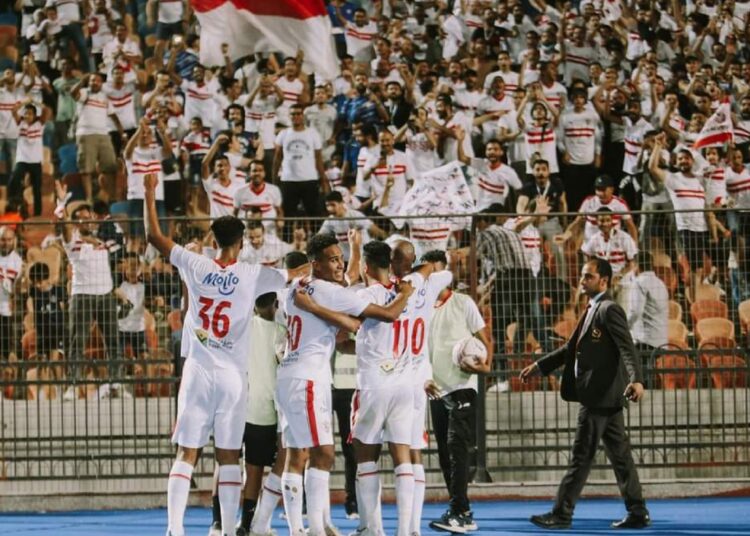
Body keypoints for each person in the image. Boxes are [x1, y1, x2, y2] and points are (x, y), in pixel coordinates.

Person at [142, 173, 306, 536]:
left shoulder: (196, 264)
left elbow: (154, 237)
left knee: (187, 452)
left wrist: (150, 192)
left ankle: (174, 528)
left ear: (213, 240)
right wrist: (311, 267)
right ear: (242, 241)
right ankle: (229, 531)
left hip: (198, 369)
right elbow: (292, 274)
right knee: (230, 456)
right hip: (233, 376)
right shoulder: (252, 274)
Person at [276, 233, 413, 536]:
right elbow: (385, 315)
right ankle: (311, 529)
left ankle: (305, 527)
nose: (339, 264)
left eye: (340, 257)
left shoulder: (295, 289)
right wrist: (406, 292)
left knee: (298, 452)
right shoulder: (326, 292)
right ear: (316, 264)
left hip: (289, 376)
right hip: (309, 378)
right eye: (333, 259)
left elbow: (346, 293)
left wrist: (352, 250)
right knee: (323, 454)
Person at [520, 258, 651, 530]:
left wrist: (638, 380)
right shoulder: (593, 308)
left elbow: (627, 348)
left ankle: (561, 514)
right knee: (621, 457)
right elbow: (570, 349)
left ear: (603, 281)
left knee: (581, 457)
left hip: (599, 397)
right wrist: (540, 366)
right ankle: (637, 511)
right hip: (606, 398)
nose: (582, 281)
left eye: (588, 276)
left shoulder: (608, 309)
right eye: (582, 275)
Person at [425, 249, 492, 534]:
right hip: (435, 391)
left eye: (439, 272)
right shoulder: (423, 308)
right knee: (444, 453)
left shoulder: (464, 303)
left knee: (457, 450)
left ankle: (461, 512)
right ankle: (458, 508)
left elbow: (485, 342)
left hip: (462, 387)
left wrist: (482, 366)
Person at [390, 240, 455, 535]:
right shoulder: (427, 284)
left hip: (392, 377)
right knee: (414, 452)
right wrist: (421, 269)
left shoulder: (390, 289)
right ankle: (413, 528)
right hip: (419, 377)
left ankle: (391, 528)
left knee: (394, 452)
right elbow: (443, 273)